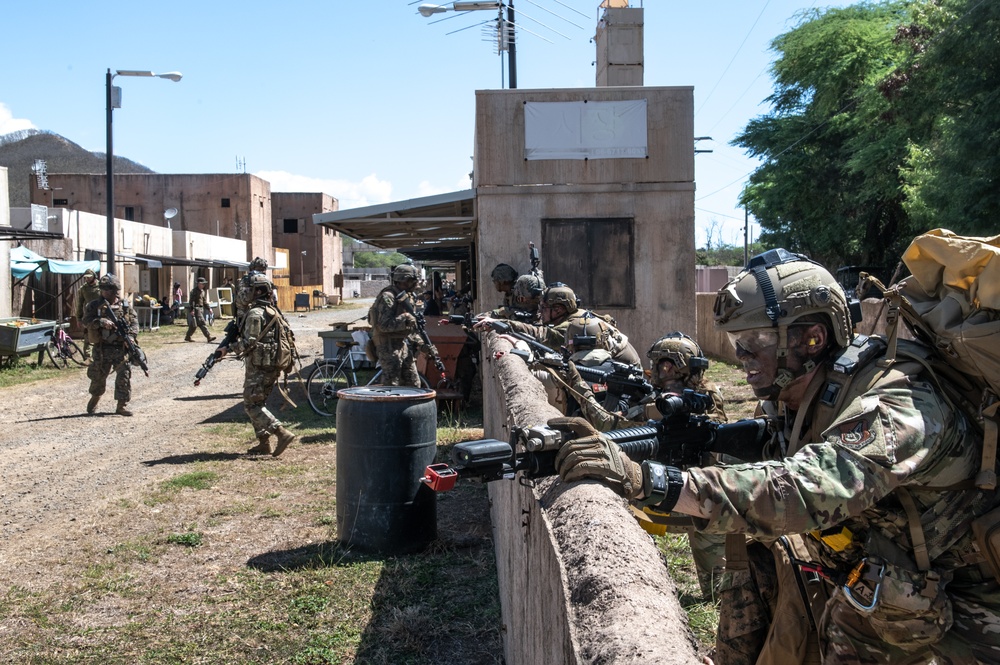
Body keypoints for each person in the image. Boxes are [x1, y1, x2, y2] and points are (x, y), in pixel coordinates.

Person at [553, 249, 1000, 664]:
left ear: (811, 338)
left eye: (757, 340)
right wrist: (704, 437)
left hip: (975, 599)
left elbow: (803, 488)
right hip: (892, 583)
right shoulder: (809, 393)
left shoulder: (898, 404)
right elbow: (775, 442)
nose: (741, 355)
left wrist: (647, 480)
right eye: (738, 341)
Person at [215, 273, 298, 457]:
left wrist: (227, 349)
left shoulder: (255, 314)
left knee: (251, 405)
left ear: (258, 291)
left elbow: (249, 343)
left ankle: (281, 433)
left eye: (249, 290)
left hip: (260, 367)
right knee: (258, 402)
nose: (245, 293)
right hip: (271, 365)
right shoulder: (273, 310)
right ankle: (263, 443)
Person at [368, 263, 439, 387]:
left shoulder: (406, 297)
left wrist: (422, 345)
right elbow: (383, 325)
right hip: (387, 346)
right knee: (392, 385)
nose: (416, 284)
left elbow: (411, 328)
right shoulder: (388, 297)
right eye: (413, 280)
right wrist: (405, 319)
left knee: (413, 383)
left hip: (401, 344)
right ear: (403, 280)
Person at [82, 274, 140, 416]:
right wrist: (100, 322)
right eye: (103, 290)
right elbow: (85, 321)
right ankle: (95, 398)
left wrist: (131, 337)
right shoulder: (94, 306)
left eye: (108, 289)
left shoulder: (125, 307)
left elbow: (134, 323)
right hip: (102, 349)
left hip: (121, 349)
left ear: (115, 290)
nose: (105, 292)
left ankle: (122, 405)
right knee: (98, 377)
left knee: (124, 377)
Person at [74, 268, 101, 360]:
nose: (87, 279)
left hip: (101, 315)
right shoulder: (83, 289)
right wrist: (78, 318)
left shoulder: (101, 287)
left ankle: (100, 356)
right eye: (86, 278)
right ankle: (87, 358)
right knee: (88, 337)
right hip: (89, 316)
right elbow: (79, 304)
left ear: (94, 276)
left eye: (89, 277)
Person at [186, 277, 216, 343]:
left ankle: (187, 337)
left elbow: (204, 302)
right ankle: (208, 337)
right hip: (196, 309)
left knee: (194, 325)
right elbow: (191, 301)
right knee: (202, 323)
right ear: (199, 284)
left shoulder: (203, 291)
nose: (204, 285)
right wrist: (192, 310)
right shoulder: (194, 291)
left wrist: (209, 308)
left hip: (201, 309)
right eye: (202, 284)